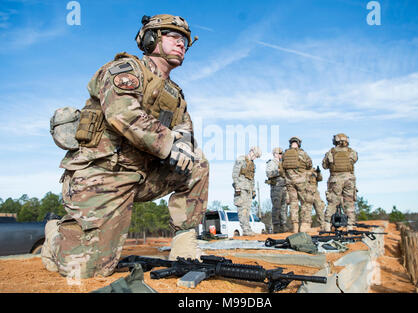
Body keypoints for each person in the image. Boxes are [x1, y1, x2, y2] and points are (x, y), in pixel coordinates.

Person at [41, 14, 209, 279]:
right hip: (101, 175)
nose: (182, 45)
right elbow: (123, 114)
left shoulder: (176, 95)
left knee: (197, 162)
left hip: (140, 177)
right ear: (151, 39)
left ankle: (184, 243)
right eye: (174, 37)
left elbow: (185, 134)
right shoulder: (125, 70)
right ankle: (54, 236)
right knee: (88, 271)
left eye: (185, 41)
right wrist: (169, 144)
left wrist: (185, 144)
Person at [322, 133, 358, 231]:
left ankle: (327, 225)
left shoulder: (331, 152)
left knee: (332, 202)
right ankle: (350, 226)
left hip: (335, 179)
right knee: (349, 203)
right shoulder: (352, 152)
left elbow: (324, 166)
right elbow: (354, 160)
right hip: (349, 179)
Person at [281, 137, 314, 233]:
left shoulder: (285, 154)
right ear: (299, 144)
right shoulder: (302, 153)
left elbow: (281, 167)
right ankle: (304, 225)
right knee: (306, 202)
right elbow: (309, 164)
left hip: (289, 182)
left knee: (293, 204)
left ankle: (295, 226)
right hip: (301, 181)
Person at [232, 146, 262, 236]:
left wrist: (253, 190)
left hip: (248, 189)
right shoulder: (241, 159)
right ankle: (245, 230)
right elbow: (235, 174)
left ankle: (248, 229)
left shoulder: (252, 164)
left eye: (257, 156)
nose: (255, 157)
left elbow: (252, 178)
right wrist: (237, 186)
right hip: (241, 188)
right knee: (242, 210)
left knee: (247, 210)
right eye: (255, 155)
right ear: (251, 151)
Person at [265, 147, 288, 233]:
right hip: (276, 188)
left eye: (281, 154)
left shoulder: (282, 163)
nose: (281, 155)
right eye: (280, 153)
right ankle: (276, 227)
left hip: (284, 187)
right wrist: (278, 171)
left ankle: (283, 226)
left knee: (284, 207)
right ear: (275, 154)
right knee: (276, 207)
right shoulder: (272, 163)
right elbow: (268, 173)